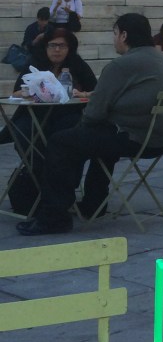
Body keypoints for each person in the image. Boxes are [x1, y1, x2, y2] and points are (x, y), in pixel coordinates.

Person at [16, 13, 163, 235]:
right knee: (99, 139)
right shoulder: (160, 59)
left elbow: (94, 113)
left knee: (61, 142)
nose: (114, 39)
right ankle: (94, 203)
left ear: (124, 35)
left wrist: (82, 124)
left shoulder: (122, 64)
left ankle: (53, 217)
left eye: (115, 33)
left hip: (137, 137)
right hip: (162, 138)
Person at [7, 27, 97, 216]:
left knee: (69, 132)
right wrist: (32, 91)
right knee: (25, 132)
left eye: (62, 46)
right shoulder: (35, 63)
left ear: (69, 48)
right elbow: (16, 92)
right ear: (45, 47)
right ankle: (41, 186)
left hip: (66, 115)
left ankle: (59, 188)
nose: (57, 50)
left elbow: (95, 91)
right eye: (52, 45)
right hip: (34, 116)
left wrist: (81, 93)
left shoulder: (77, 65)